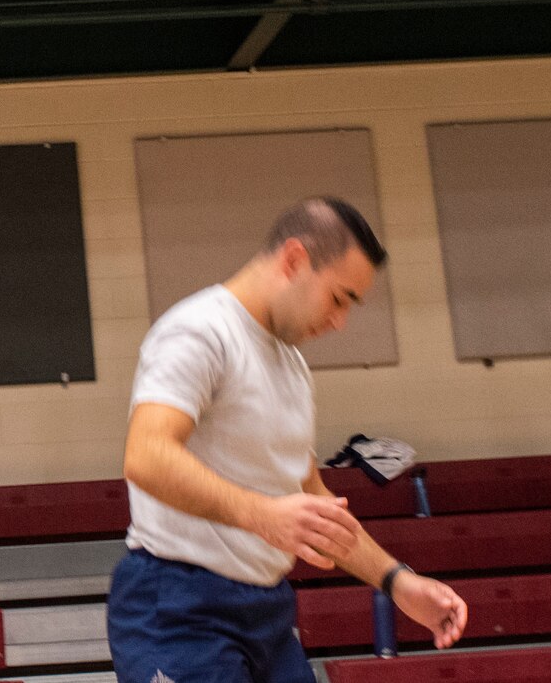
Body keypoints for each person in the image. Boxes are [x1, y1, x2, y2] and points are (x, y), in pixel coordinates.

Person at [108, 197, 470, 682]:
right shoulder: (199, 331)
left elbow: (311, 497)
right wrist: (261, 515)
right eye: (339, 298)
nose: (340, 322)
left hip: (266, 610)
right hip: (179, 608)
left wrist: (397, 581)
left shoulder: (292, 365)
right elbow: (146, 456)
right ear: (295, 260)